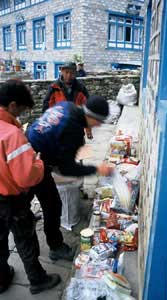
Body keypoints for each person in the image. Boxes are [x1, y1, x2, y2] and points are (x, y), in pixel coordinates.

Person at [27, 95, 114, 261]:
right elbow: (67, 169)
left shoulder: (68, 106)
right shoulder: (73, 129)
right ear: (91, 116)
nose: (99, 125)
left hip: (27, 145)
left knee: (24, 198)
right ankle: (56, 247)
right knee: (52, 205)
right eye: (99, 121)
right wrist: (97, 169)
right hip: (34, 161)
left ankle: (25, 216)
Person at [0, 79, 61, 295]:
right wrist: (38, 162)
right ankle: (37, 279)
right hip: (11, 199)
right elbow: (27, 177)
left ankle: (1, 277)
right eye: (22, 110)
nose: (22, 115)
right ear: (13, 105)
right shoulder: (12, 135)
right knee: (25, 239)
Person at [43, 61, 92, 139]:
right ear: (62, 71)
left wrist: (88, 129)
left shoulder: (81, 88)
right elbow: (47, 109)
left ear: (75, 73)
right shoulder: (54, 88)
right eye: (66, 72)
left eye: (72, 73)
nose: (69, 75)